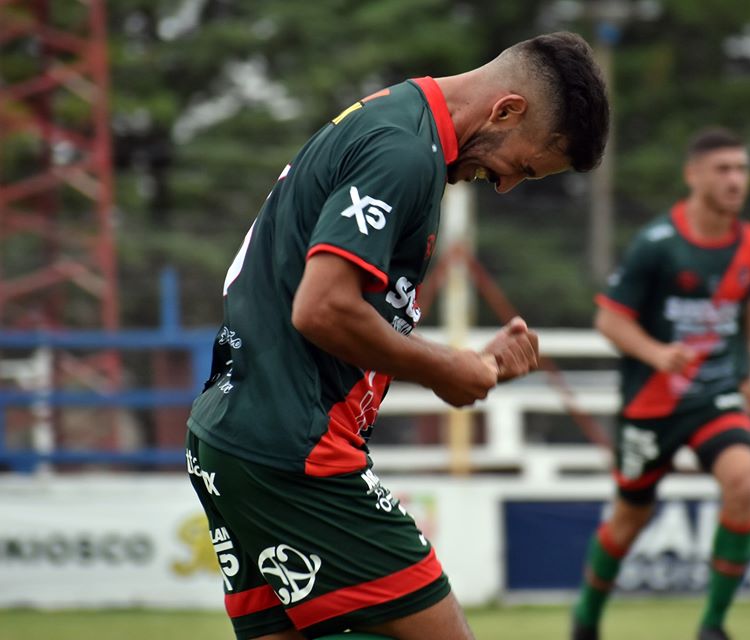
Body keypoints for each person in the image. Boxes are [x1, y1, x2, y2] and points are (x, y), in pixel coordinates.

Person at [185, 32, 609, 640]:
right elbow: (322, 308)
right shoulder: (405, 153)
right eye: (521, 166)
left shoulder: (391, 120)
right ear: (507, 110)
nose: (507, 185)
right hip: (294, 448)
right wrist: (444, 370)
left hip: (232, 436)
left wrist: (463, 361)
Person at [571, 128, 750, 640]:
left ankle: (712, 626)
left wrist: (746, 370)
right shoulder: (656, 245)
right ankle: (587, 619)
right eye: (723, 169)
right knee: (629, 521)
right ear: (693, 175)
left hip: (715, 394)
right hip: (651, 403)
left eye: (741, 169)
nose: (735, 180)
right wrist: (659, 354)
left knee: (743, 479)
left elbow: (743, 307)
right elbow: (610, 322)